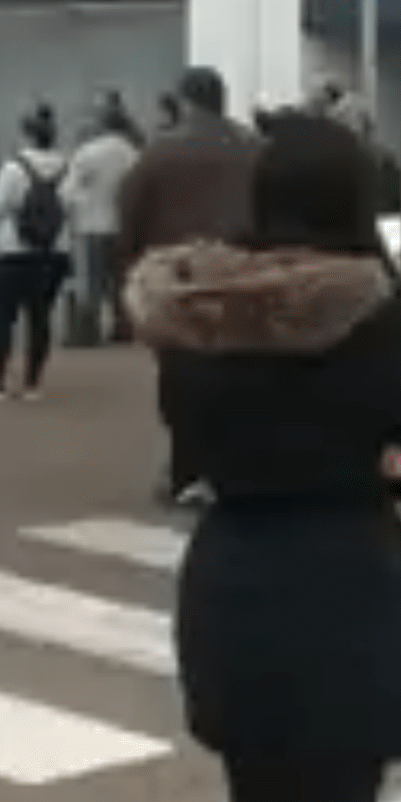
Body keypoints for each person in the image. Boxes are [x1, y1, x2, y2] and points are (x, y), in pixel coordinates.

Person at [128, 111, 401, 802]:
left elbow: (188, 439)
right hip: (342, 577)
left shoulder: (198, 306)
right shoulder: (365, 308)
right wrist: (390, 453)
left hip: (233, 572)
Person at [115, 68, 261, 503]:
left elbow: (131, 213)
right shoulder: (255, 148)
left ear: (184, 101)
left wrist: (129, 270)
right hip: (241, 272)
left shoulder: (161, 151)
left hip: (177, 277)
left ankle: (186, 469)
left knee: (181, 376)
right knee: (238, 374)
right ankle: (232, 464)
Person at [0, 105, 70, 400]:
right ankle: (33, 382)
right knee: (40, 318)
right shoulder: (66, 166)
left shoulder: (13, 167)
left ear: (26, 135)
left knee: (3, 317)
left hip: (12, 252)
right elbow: (72, 206)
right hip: (54, 252)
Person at [61, 103, 141, 347]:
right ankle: (123, 327)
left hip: (93, 225)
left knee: (93, 280)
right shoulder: (133, 153)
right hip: (124, 226)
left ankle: (91, 330)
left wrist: (85, 202)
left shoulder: (88, 152)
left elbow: (67, 191)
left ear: (101, 124)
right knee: (121, 279)